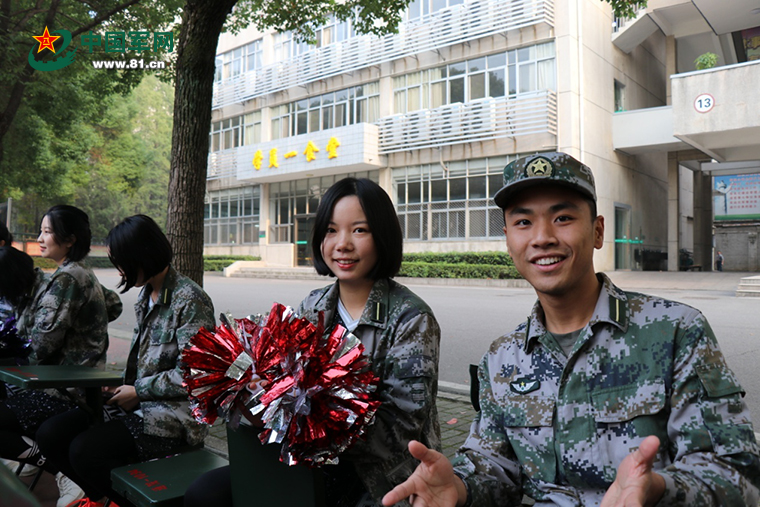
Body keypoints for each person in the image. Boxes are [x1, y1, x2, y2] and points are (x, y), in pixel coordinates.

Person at [383, 152, 760, 507]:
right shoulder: (502, 360)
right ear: (509, 239)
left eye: (563, 218)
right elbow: (495, 465)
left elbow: (738, 474)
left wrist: (658, 488)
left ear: (597, 232)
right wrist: (459, 485)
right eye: (523, 221)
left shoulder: (675, 331)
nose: (542, 236)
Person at [185, 177, 441, 507]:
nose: (343, 244)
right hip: (312, 462)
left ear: (383, 236)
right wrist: (256, 396)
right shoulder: (313, 306)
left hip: (383, 476)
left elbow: (399, 429)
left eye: (359, 230)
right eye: (331, 230)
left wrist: (298, 424)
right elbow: (282, 379)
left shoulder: (411, 318)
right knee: (205, 494)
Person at [37, 214, 215, 507]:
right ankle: (103, 496)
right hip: (139, 404)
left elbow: (196, 374)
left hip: (173, 418)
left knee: (86, 451)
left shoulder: (189, 299)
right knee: (52, 434)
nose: (119, 271)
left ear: (140, 256)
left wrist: (139, 391)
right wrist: (122, 386)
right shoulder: (147, 294)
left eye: (121, 262)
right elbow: (143, 363)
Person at [0, 205, 123, 507]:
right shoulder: (77, 273)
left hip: (64, 391)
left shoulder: (68, 278)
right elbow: (115, 304)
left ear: (69, 239)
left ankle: (55, 466)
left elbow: (39, 345)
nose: (40, 238)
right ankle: (43, 459)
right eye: (41, 231)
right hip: (60, 384)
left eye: (47, 231)